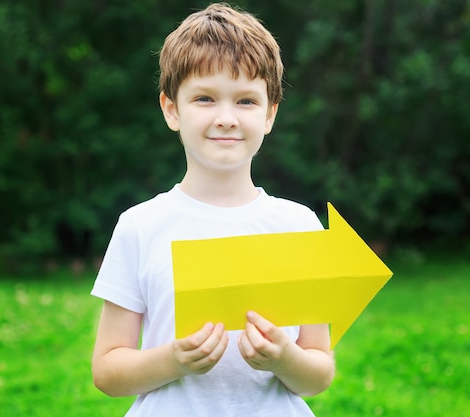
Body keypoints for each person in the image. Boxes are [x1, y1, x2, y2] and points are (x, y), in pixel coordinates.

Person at [91, 3, 335, 416]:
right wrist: (172, 360)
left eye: (245, 101)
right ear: (172, 109)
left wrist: (283, 359)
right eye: (205, 98)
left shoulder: (299, 225)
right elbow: (107, 369)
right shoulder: (140, 226)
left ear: (270, 114)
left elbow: (319, 371)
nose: (226, 118)